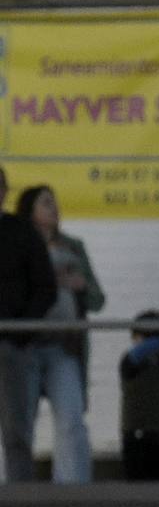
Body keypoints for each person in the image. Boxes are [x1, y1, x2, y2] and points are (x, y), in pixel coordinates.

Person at [15, 185, 103, 484]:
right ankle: (17, 487)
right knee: (19, 422)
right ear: (29, 211)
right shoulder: (16, 243)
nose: (55, 209)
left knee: (71, 420)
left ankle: (73, 489)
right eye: (46, 203)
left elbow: (98, 300)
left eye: (55, 203)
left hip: (63, 347)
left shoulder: (73, 247)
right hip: (23, 345)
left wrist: (80, 285)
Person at [0, 166, 58, 482]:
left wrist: (20, 332)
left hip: (10, 343)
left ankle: (18, 499)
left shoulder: (21, 232)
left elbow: (45, 288)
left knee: (16, 429)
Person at [119, 311, 159, 481]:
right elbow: (138, 354)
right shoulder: (130, 362)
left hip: (158, 432)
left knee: (158, 481)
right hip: (133, 432)